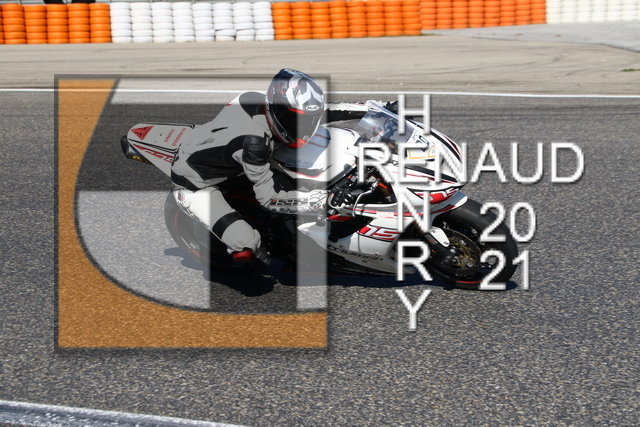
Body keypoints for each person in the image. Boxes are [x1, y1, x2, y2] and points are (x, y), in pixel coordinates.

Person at [170, 69, 350, 267]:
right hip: (195, 183)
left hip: (219, 147)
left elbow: (322, 110)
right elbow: (270, 199)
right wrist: (322, 201)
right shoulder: (254, 144)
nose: (303, 127)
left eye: (307, 120)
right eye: (294, 120)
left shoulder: (257, 99)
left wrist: (370, 108)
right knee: (247, 248)